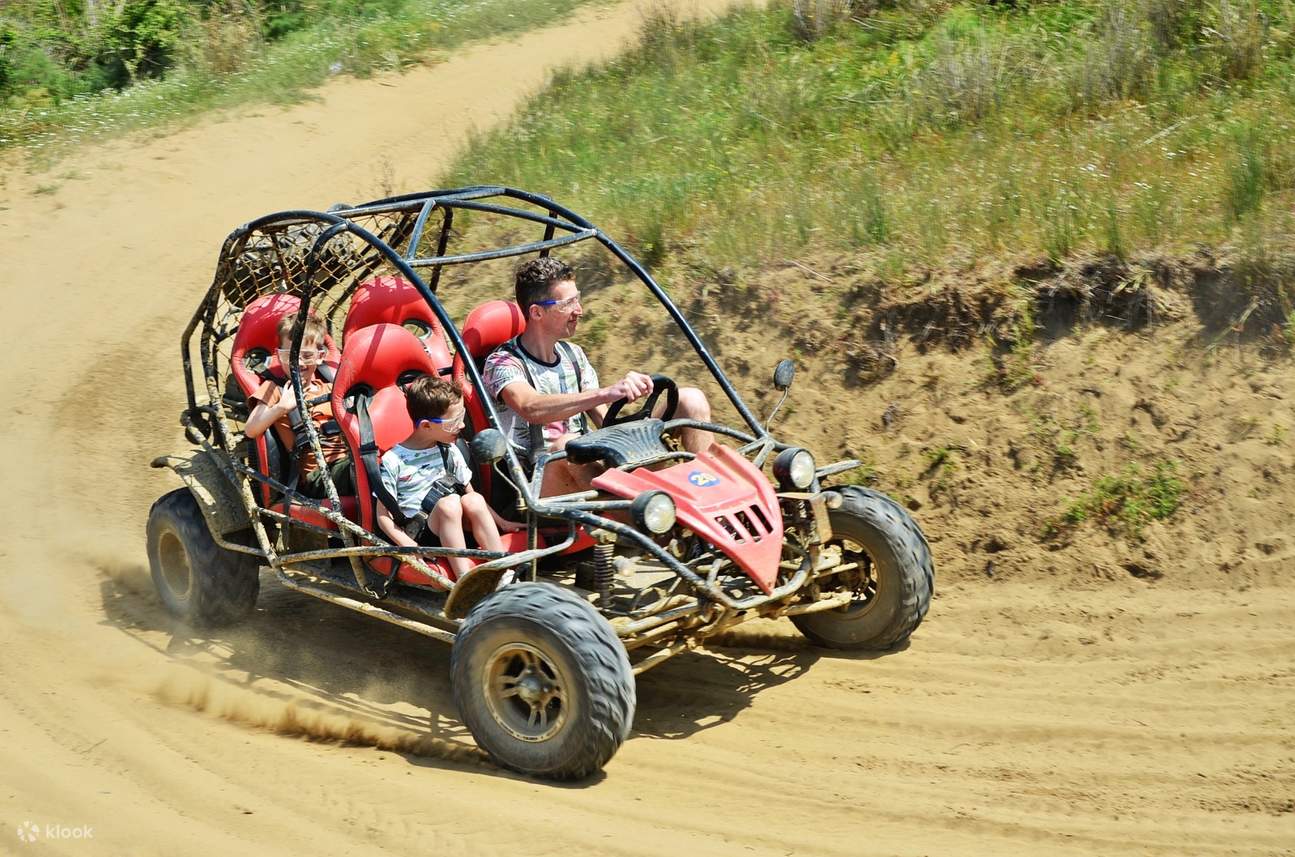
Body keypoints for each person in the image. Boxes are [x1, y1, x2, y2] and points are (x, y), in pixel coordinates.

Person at [483, 256, 713, 496]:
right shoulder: (502, 362)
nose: (579, 311)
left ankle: (711, 502)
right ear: (537, 313)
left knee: (690, 400)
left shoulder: (574, 355)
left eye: (578, 299)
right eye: (568, 304)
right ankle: (643, 524)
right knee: (566, 445)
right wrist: (605, 393)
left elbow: (607, 424)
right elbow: (530, 407)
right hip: (538, 481)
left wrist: (638, 408)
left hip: (588, 464)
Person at [375, 374, 522, 580]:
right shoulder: (394, 460)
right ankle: (465, 578)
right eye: (454, 421)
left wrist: (502, 522)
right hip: (422, 530)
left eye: (462, 417)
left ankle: (500, 567)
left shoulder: (449, 451)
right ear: (426, 425)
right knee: (450, 503)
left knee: (473, 498)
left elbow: (470, 492)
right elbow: (382, 516)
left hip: (453, 522)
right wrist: (407, 544)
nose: (462, 426)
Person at [244, 311, 352, 498]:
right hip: (320, 476)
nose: (298, 362)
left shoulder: (329, 386)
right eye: (290, 355)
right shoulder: (275, 389)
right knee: (368, 470)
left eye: (306, 355)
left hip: (349, 461)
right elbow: (251, 429)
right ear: (278, 356)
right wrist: (282, 407)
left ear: (320, 356)